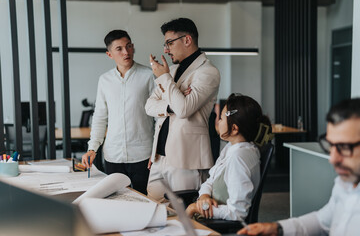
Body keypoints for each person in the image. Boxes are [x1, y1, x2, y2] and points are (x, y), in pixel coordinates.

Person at [237, 98, 360, 235]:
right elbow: (322, 220)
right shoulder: (345, 183)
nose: (333, 159)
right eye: (331, 146)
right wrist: (277, 228)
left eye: (344, 147)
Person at [145, 18, 221, 202]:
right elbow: (149, 106)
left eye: (169, 43)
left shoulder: (207, 72)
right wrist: (171, 103)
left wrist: (164, 79)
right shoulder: (170, 70)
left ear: (187, 40)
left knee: (185, 217)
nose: (165, 49)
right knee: (155, 213)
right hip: (158, 157)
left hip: (186, 159)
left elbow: (184, 109)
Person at [82, 30, 154, 195]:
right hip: (113, 156)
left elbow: (159, 118)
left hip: (143, 155)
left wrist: (156, 152)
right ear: (109, 54)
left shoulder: (148, 76)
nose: (126, 52)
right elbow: (100, 117)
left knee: (144, 200)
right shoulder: (104, 80)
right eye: (119, 49)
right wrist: (92, 148)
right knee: (116, 200)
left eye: (128, 46)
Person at [185, 94, 273, 221]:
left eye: (221, 118)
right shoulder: (232, 148)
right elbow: (211, 180)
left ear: (234, 128)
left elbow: (237, 212)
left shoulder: (239, 158)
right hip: (209, 218)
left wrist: (195, 208)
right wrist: (204, 196)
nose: (218, 122)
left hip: (217, 225)